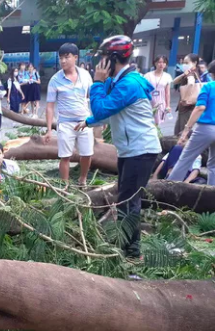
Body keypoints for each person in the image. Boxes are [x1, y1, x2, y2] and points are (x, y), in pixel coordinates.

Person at [76, 35, 162, 259]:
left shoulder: (129, 84)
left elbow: (102, 108)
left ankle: (131, 253)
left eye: (104, 58)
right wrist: (86, 122)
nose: (100, 63)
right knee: (126, 200)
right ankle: (126, 244)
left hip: (140, 151)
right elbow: (105, 113)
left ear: (113, 59)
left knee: (128, 202)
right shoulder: (120, 82)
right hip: (131, 150)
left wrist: (96, 82)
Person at [43, 43, 95, 187]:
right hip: (65, 123)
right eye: (61, 58)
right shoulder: (55, 80)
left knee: (87, 153)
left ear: (76, 58)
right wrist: (48, 130)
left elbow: (93, 97)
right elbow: (49, 106)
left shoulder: (85, 75)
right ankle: (64, 186)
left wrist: (97, 119)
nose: (63, 61)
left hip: (85, 122)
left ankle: (82, 180)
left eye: (67, 57)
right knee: (65, 156)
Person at [168, 60, 215, 185]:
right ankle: (211, 196)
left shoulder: (209, 87)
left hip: (206, 128)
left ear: (212, 73)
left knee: (186, 159)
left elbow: (200, 108)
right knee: (213, 164)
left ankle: (168, 190)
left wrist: (186, 130)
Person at [172, 53, 200, 136]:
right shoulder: (191, 72)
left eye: (187, 63)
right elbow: (174, 81)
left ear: (194, 63)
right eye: (184, 62)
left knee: (181, 133)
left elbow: (191, 83)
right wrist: (184, 74)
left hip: (186, 108)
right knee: (179, 132)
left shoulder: (191, 74)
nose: (184, 65)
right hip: (184, 108)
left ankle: (181, 149)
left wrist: (186, 98)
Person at [144, 55, 173, 125]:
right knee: (147, 121)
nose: (161, 64)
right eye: (159, 62)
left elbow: (167, 93)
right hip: (149, 101)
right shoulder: (148, 75)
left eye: (164, 62)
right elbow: (144, 90)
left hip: (161, 102)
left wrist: (168, 105)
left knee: (157, 122)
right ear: (155, 63)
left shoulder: (167, 76)